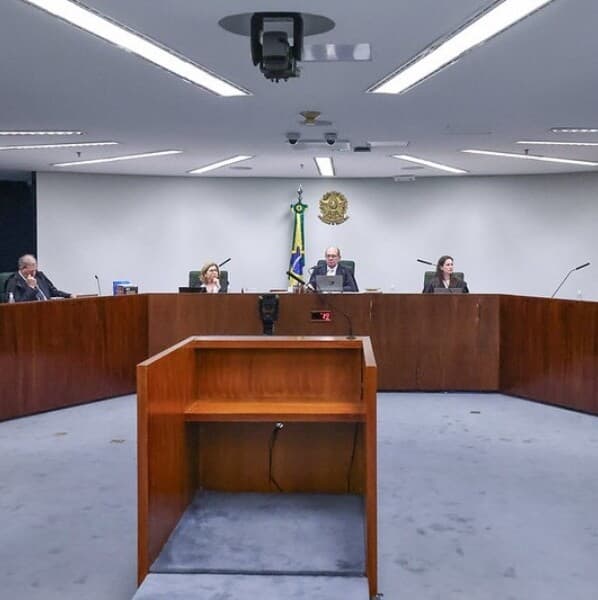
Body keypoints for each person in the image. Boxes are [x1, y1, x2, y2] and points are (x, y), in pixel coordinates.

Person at [5, 254, 75, 302]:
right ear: (22, 268)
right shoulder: (13, 281)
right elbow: (19, 304)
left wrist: (68, 295)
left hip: (48, 307)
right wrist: (31, 288)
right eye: (31, 271)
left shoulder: (39, 275)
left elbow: (53, 291)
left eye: (35, 270)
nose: (34, 273)